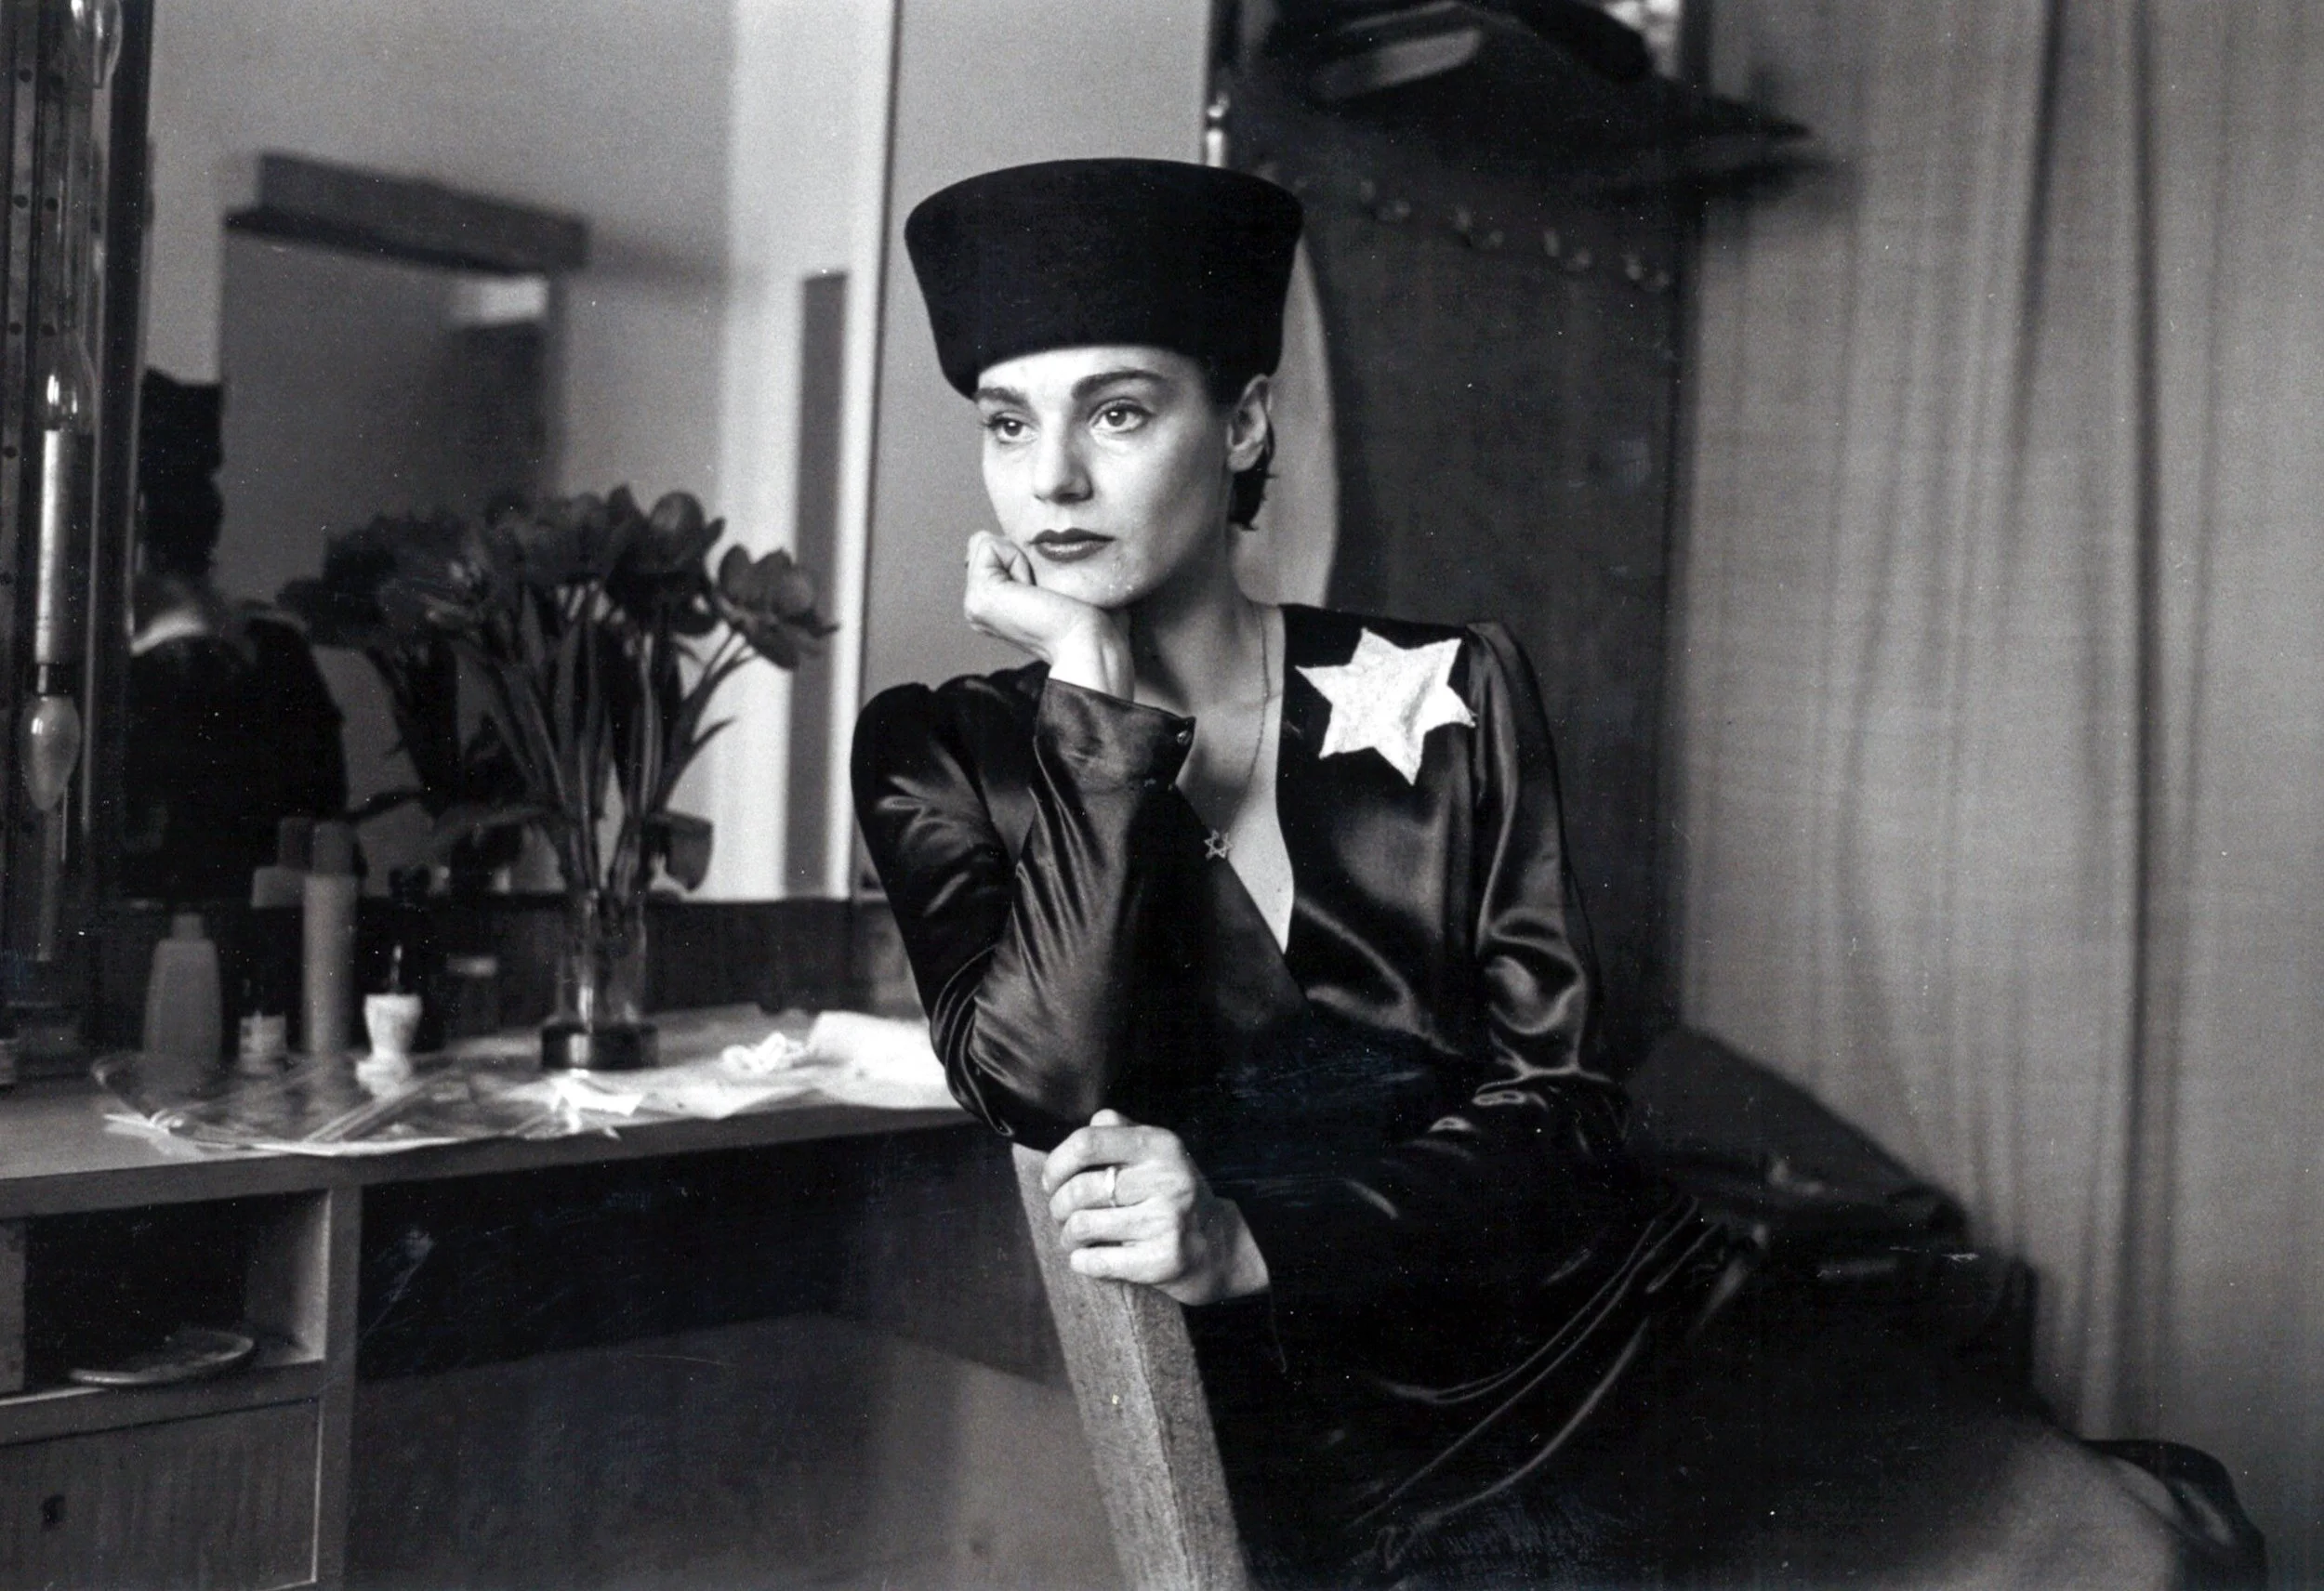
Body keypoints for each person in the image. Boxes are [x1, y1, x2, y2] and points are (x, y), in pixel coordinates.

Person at [853, 160, 2256, 1588]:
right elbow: (1034, 1082)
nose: (1054, 480)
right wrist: (1094, 704)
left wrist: (1257, 1232)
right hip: (1360, 1459)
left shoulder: (1449, 683)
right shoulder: (942, 752)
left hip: (1627, 1340)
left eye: (1122, 411)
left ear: (1249, 420)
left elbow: (1568, 1110)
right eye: (1010, 423)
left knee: (2123, 1551)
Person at [120, 371, 347, 901]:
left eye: (199, 480)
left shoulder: (275, 663)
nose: (200, 503)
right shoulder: (89, 678)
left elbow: (327, 851)